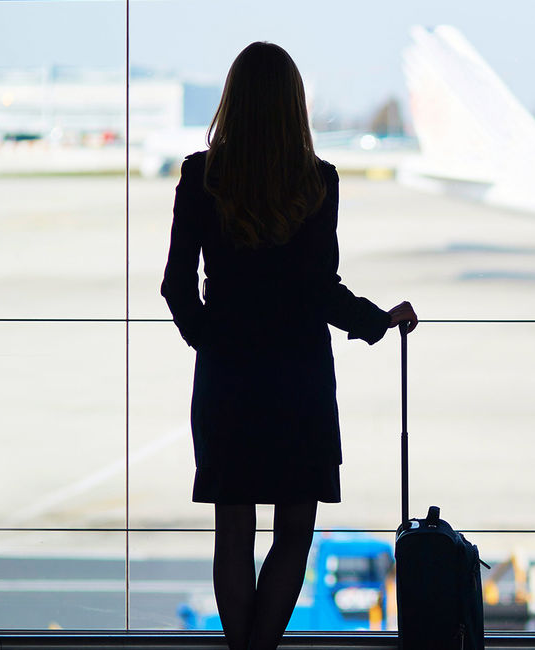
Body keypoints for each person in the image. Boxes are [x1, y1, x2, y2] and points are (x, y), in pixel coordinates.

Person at [161, 41, 417, 650]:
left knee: (233, 528)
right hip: (298, 378)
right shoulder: (318, 181)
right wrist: (377, 321)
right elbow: (320, 290)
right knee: (295, 528)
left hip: (229, 379)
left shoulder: (201, 176)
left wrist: (212, 345)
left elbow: (176, 285)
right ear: (292, 105)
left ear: (234, 100)